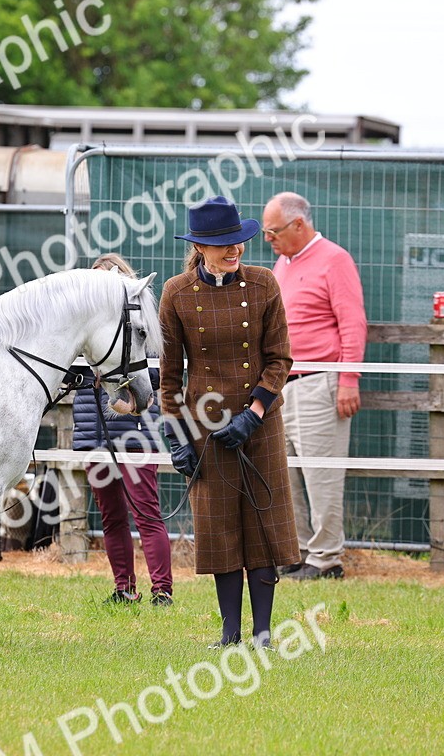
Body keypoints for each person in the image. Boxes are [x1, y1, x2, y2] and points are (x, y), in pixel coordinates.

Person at [159, 195, 300, 649]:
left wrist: (254, 413)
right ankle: (229, 633)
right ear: (200, 247)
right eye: (224, 244)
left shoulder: (263, 284)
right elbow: (169, 376)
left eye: (238, 241)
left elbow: (279, 359)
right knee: (219, 528)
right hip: (207, 429)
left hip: (260, 424)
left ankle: (263, 634)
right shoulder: (176, 293)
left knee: (263, 524)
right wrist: (177, 435)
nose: (235, 250)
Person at [263, 192, 367, 580]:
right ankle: (298, 552)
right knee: (283, 473)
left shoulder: (335, 260)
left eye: (273, 232)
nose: (268, 239)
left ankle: (326, 560)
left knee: (321, 475)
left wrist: (348, 380)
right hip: (282, 384)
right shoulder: (284, 263)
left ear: (298, 225)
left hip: (319, 383)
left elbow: (353, 323)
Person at [74, 253, 173, 606]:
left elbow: (157, 372)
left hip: (135, 433)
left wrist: (128, 394)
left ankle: (162, 591)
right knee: (111, 517)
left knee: (146, 513)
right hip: (94, 434)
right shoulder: (81, 328)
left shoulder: (139, 321)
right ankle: (124, 589)